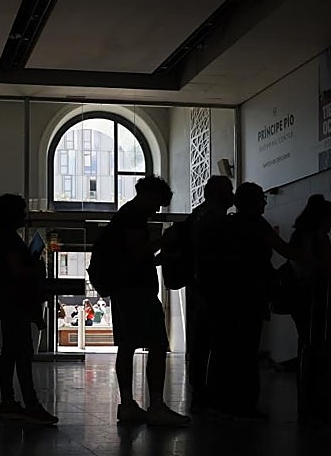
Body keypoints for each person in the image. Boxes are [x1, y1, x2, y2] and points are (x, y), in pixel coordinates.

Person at [205, 182, 302, 421]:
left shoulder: (226, 225)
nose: (265, 202)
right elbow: (285, 251)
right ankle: (244, 402)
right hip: (250, 297)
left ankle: (219, 400)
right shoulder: (257, 224)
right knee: (247, 351)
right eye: (261, 198)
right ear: (254, 202)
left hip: (225, 297)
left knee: (224, 349)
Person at [101, 175, 188, 427]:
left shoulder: (124, 215)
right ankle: (157, 406)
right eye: (158, 203)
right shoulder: (133, 218)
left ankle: (127, 404)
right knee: (158, 344)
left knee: (127, 346)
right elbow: (139, 253)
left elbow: (136, 256)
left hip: (124, 289)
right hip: (137, 291)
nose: (157, 210)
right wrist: (165, 241)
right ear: (149, 195)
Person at [0, 193, 57, 425]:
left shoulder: (2, 238)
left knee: (10, 352)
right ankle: (31, 404)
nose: (24, 215)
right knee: (22, 353)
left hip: (7, 300)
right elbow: (17, 271)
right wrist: (36, 266)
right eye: (21, 211)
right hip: (14, 301)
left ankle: (9, 401)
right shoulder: (8, 239)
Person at [184, 175, 234, 412]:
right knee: (217, 342)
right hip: (214, 289)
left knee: (200, 344)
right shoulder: (216, 220)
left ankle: (201, 393)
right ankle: (213, 394)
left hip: (199, 288)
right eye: (229, 190)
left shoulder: (197, 215)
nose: (232, 194)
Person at [287, 195, 331, 417]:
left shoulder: (298, 236)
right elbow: (322, 267)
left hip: (299, 297)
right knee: (316, 344)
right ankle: (317, 396)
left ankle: (306, 396)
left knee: (305, 343)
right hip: (315, 296)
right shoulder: (317, 238)